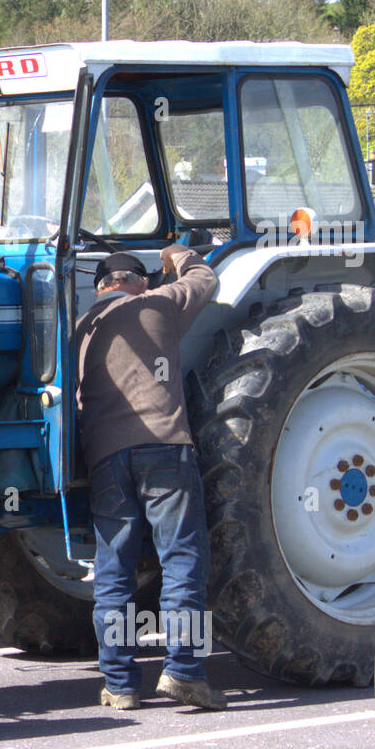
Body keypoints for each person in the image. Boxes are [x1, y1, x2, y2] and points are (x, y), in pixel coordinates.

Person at [76, 244, 226, 711]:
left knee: (114, 573)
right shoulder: (157, 304)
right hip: (164, 449)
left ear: (101, 287)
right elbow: (205, 279)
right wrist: (178, 254)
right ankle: (183, 672)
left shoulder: (80, 329)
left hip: (104, 458)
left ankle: (120, 685)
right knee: (182, 561)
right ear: (139, 281)